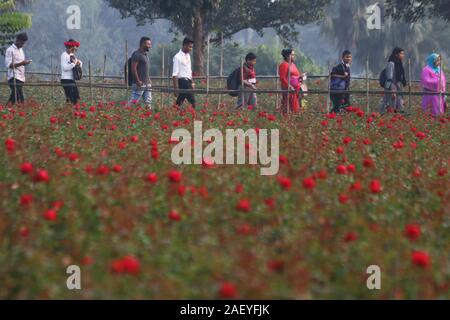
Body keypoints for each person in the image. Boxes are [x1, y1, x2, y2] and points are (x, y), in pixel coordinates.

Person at [5, 32, 31, 105]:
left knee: (14, 96)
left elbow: (21, 63)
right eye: (22, 43)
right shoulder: (10, 50)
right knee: (20, 97)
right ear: (18, 40)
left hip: (20, 77)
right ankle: (20, 109)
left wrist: (24, 63)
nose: (23, 45)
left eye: (24, 43)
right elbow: (9, 65)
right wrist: (22, 63)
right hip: (13, 76)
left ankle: (5, 110)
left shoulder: (21, 50)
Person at [380, 47, 407, 114]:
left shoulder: (399, 64)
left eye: (403, 54)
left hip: (398, 87)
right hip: (391, 86)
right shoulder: (391, 64)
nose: (402, 55)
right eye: (401, 54)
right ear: (396, 54)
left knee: (399, 104)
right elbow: (389, 78)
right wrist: (392, 90)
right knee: (390, 103)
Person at [279, 48, 305, 114]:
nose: (294, 56)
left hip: (296, 89)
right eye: (292, 55)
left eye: (293, 55)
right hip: (288, 89)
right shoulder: (284, 65)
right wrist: (289, 86)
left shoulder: (293, 65)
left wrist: (301, 77)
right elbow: (283, 78)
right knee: (288, 106)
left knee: (297, 106)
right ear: (287, 56)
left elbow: (296, 76)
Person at [128, 37, 153, 108]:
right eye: (148, 44)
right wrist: (138, 81)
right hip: (139, 84)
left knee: (148, 102)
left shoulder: (145, 55)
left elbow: (145, 70)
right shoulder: (136, 54)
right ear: (143, 44)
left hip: (147, 83)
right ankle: (124, 112)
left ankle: (148, 116)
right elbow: (133, 68)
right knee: (134, 101)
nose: (150, 46)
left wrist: (149, 79)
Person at [172, 37, 196, 109]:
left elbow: (189, 71)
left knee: (180, 100)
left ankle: (174, 113)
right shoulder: (177, 57)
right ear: (184, 45)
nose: (191, 49)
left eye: (192, 47)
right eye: (189, 47)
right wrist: (176, 89)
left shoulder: (188, 56)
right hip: (182, 81)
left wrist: (192, 82)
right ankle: (196, 117)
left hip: (188, 81)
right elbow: (175, 74)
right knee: (193, 102)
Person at [61, 39, 82, 105]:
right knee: (70, 98)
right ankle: (69, 110)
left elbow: (78, 65)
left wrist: (79, 63)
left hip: (72, 79)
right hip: (66, 79)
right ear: (68, 48)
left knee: (76, 96)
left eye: (75, 50)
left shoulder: (72, 56)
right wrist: (73, 64)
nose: (74, 51)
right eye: (73, 49)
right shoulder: (64, 55)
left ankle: (73, 111)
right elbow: (65, 68)